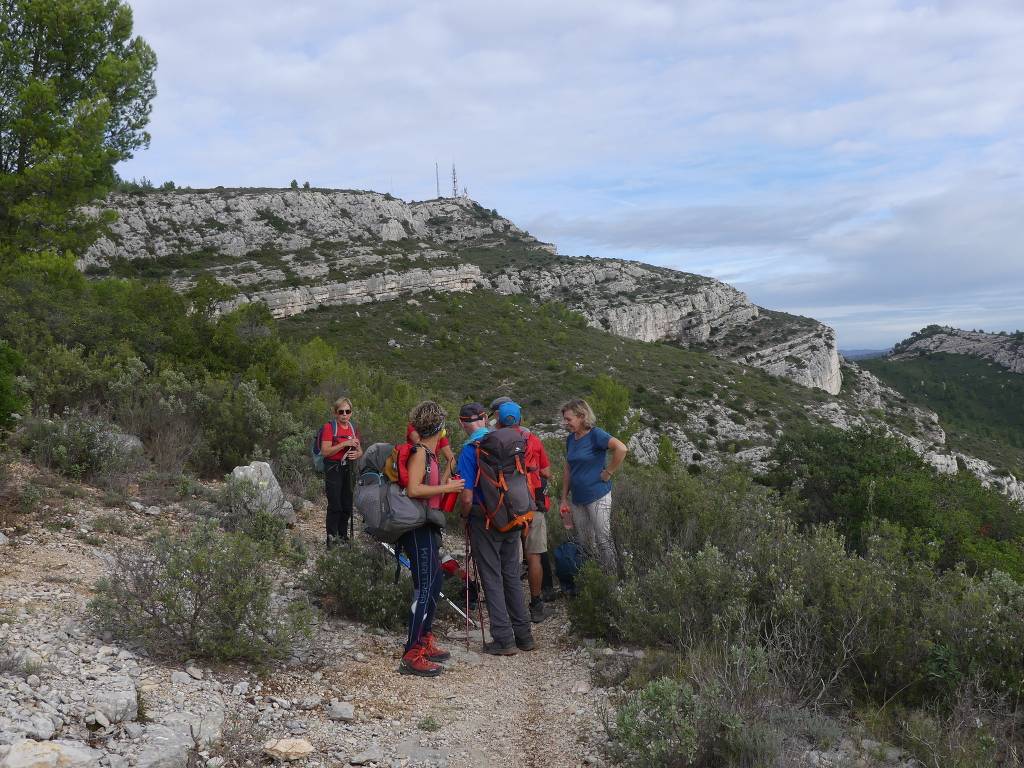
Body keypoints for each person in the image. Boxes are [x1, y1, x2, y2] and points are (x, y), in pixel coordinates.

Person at [457, 402, 535, 655]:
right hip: (513, 515)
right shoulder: (506, 441)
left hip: (486, 520)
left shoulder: (470, 450)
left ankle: (503, 640)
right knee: (511, 575)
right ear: (487, 419)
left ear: (461, 423)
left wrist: (464, 516)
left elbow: (467, 497)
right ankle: (524, 636)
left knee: (491, 578)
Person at [397, 401, 466, 677]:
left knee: (435, 580)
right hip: (417, 527)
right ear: (439, 427)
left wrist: (448, 475)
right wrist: (447, 486)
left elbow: (430, 487)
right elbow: (414, 488)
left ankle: (424, 638)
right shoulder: (420, 454)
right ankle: (411, 653)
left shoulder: (430, 454)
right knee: (424, 587)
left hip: (427, 525)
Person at [489, 397, 553, 622]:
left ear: (498, 418)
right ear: (520, 418)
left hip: (506, 507)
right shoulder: (531, 439)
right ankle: (536, 603)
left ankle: (509, 606)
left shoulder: (492, 440)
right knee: (534, 555)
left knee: (510, 558)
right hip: (532, 504)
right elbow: (546, 472)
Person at [559, 398, 628, 572]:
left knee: (604, 540)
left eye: (569, 419)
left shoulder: (596, 434)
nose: (565, 423)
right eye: (565, 419)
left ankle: (611, 581)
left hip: (598, 495)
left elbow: (621, 448)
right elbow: (568, 468)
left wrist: (608, 472)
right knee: (586, 542)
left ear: (582, 416)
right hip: (577, 499)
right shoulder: (571, 439)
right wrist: (563, 498)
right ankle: (594, 578)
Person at [320, 397, 363, 547]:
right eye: (341, 412)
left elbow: (359, 449)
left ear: (351, 413)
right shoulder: (329, 428)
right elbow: (325, 451)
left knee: (346, 504)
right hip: (333, 468)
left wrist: (357, 454)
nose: (344, 414)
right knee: (335, 504)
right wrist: (344, 443)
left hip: (348, 468)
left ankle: (343, 537)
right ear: (335, 413)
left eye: (347, 411)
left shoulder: (353, 428)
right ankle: (331, 539)